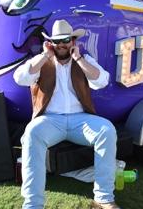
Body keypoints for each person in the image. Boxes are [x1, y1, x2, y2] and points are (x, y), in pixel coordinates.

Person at [13, 19, 119, 209]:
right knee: (31, 133)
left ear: (73, 41)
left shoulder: (83, 59)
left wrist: (79, 59)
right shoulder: (42, 61)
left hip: (81, 120)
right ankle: (33, 205)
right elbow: (20, 78)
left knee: (107, 130)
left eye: (65, 39)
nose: (61, 44)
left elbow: (102, 80)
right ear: (51, 43)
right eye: (57, 41)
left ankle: (103, 198)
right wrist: (45, 56)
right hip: (50, 120)